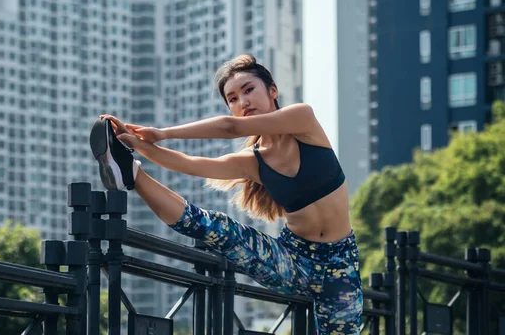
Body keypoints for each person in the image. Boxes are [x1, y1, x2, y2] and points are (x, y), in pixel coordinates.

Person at [90, 55, 362, 334]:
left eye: (248, 90)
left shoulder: (303, 119)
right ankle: (131, 173)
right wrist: (135, 144)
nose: (242, 102)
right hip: (289, 258)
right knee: (214, 226)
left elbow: (230, 129)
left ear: (272, 91)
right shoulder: (253, 161)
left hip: (339, 265)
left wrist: (161, 133)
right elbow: (190, 164)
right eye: (232, 99)